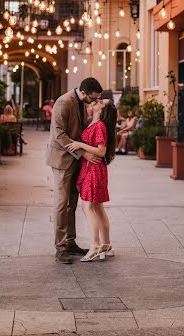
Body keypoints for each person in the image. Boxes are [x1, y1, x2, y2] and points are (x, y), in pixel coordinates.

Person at [46, 77, 103, 264]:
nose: (93, 102)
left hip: (75, 160)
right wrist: (84, 153)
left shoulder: (81, 101)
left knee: (72, 203)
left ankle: (70, 242)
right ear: (84, 92)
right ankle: (60, 247)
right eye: (92, 99)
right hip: (62, 160)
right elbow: (59, 135)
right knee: (61, 204)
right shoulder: (63, 102)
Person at [66, 98, 117, 262]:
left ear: (102, 110)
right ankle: (106, 244)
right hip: (92, 168)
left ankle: (95, 246)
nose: (98, 101)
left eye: (102, 102)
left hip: (94, 169)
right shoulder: (93, 123)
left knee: (87, 206)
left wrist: (80, 145)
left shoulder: (100, 125)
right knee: (98, 207)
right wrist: (82, 145)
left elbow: (101, 151)